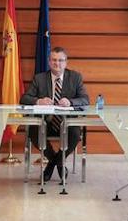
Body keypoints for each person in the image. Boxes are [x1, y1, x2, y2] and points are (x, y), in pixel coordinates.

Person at [21, 46, 90, 182]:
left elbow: (85, 99)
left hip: (67, 122)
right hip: (46, 122)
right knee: (33, 130)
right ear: (49, 61)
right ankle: (58, 162)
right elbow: (24, 99)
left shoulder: (75, 77)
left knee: (76, 134)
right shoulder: (39, 78)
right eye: (53, 60)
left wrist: (70, 102)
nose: (57, 63)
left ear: (66, 62)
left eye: (60, 60)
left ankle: (52, 163)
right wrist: (39, 101)